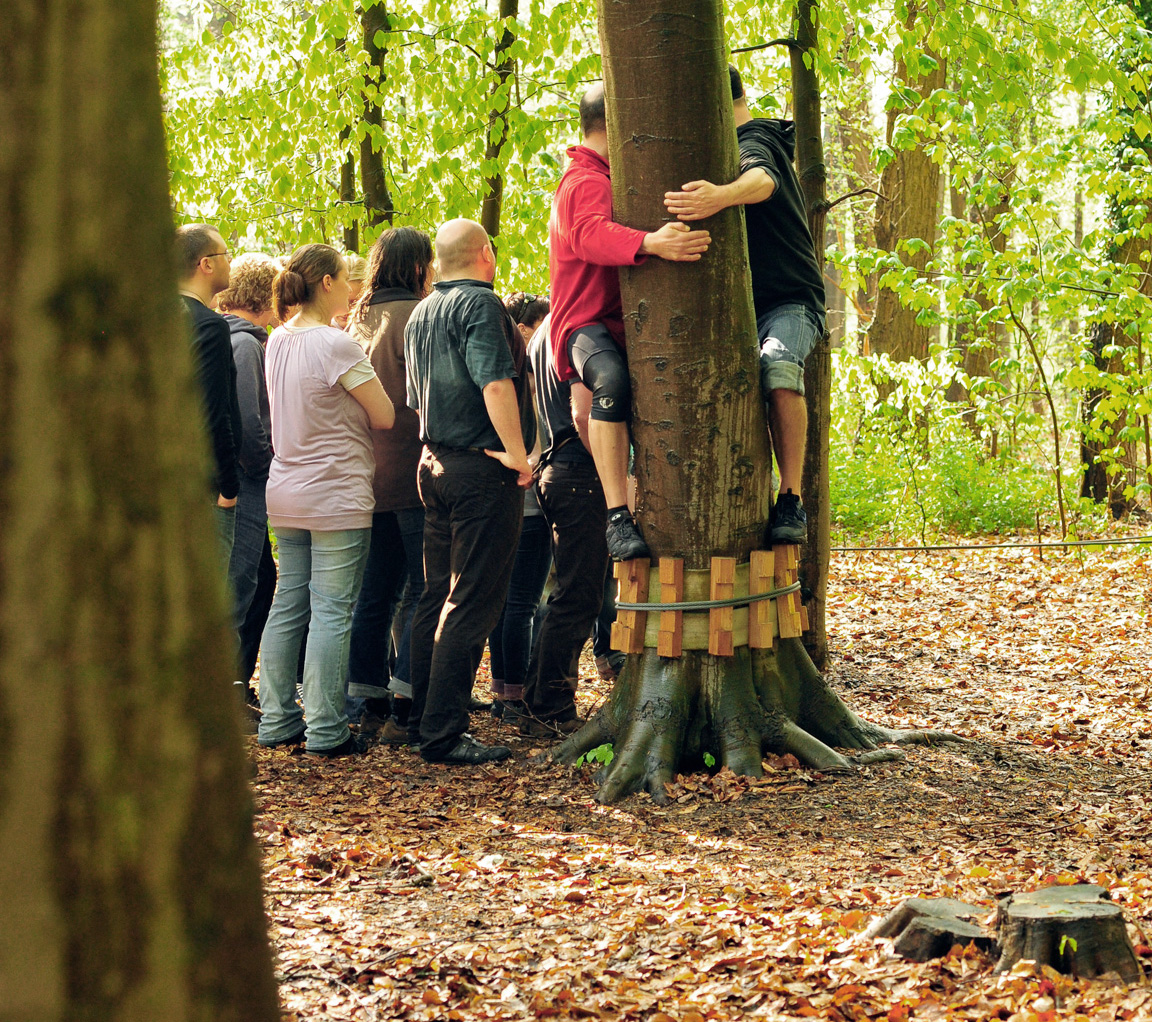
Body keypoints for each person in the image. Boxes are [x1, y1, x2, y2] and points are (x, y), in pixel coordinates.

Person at [663, 65, 826, 544]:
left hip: (791, 303)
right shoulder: (723, 146)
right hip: (743, 312)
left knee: (778, 365)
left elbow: (764, 180)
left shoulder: (755, 138)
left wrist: (720, 197)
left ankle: (790, 497)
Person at [549, 82, 711, 562]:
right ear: (616, 125)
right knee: (612, 383)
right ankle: (617, 516)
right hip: (583, 325)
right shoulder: (585, 181)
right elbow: (588, 235)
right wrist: (653, 243)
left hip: (618, 327)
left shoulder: (604, 177)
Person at [256, 244, 395, 758]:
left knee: (288, 602)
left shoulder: (277, 341)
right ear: (329, 284)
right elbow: (383, 415)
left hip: (286, 488)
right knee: (333, 610)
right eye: (346, 278)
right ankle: (327, 729)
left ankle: (276, 718)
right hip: (335, 491)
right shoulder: (336, 345)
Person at [404, 218, 533, 765]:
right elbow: (495, 382)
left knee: (435, 595)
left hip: (432, 464)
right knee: (470, 600)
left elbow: (415, 399)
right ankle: (443, 733)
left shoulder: (422, 311)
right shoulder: (481, 306)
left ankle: (420, 718)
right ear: (484, 254)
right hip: (481, 470)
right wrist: (518, 454)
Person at [346, 228, 435, 743]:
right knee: (423, 590)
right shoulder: (417, 318)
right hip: (413, 471)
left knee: (373, 594)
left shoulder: (357, 319)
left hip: (366, 475)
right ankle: (408, 698)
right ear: (419, 266)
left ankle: (365, 699)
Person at [511, 312, 609, 735]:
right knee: (578, 595)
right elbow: (583, 415)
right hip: (579, 471)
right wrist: (614, 474)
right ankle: (549, 706)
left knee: (571, 591)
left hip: (560, 470)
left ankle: (537, 699)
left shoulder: (550, 326)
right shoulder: (577, 326)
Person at [216, 253, 278, 713]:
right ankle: (227, 696)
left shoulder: (244, 340)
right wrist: (264, 467)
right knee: (239, 586)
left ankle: (236, 688)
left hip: (246, 482)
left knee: (262, 579)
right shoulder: (243, 344)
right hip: (243, 483)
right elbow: (246, 424)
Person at [488, 293, 553, 719]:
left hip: (499, 500)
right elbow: (536, 445)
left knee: (504, 600)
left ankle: (502, 689)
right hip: (528, 500)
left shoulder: (495, 376)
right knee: (523, 603)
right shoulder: (531, 381)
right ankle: (515, 695)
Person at [175, 224, 242, 561]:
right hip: (205, 488)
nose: (231, 261)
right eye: (225, 254)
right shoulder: (209, 326)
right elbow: (215, 411)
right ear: (206, 264)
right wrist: (228, 487)